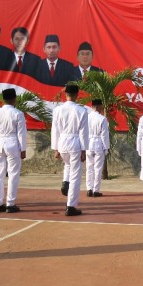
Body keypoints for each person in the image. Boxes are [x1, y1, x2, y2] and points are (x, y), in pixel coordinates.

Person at [51, 84, 89, 215]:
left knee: (68, 166)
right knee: (76, 175)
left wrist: (55, 148)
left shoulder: (58, 110)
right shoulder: (81, 111)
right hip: (75, 142)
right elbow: (84, 132)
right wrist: (84, 150)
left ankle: (65, 182)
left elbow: (54, 130)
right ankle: (71, 206)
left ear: (65, 94)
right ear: (77, 95)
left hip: (62, 142)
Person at [0, 88, 27, 213]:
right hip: (12, 143)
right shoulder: (17, 113)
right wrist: (23, 149)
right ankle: (10, 203)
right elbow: (21, 133)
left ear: (3, 99)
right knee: (13, 174)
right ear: (14, 99)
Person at [85, 99, 110, 197]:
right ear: (100, 106)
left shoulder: (87, 117)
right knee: (97, 168)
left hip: (88, 143)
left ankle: (89, 189)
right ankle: (96, 190)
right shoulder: (102, 119)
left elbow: (84, 132)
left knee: (89, 167)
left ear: (92, 106)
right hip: (98, 143)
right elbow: (104, 135)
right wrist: (106, 147)